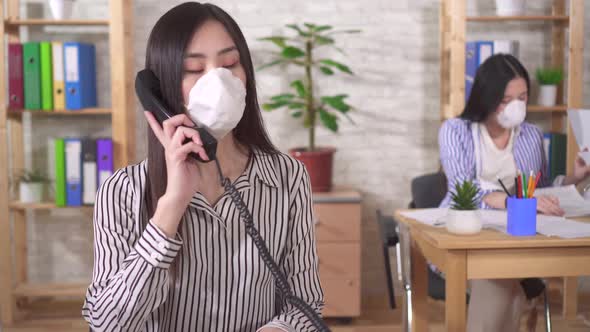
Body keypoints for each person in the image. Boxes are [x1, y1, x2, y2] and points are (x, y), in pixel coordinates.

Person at [82, 3, 323, 332]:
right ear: (161, 93)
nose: (219, 80)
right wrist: (171, 207)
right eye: (194, 69)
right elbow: (107, 324)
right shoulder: (122, 192)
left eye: (229, 63)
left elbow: (305, 303)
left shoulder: (287, 177)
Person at [438, 54, 590, 331]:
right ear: (487, 97)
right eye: (507, 100)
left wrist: (574, 177)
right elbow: (462, 188)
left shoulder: (531, 135)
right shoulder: (455, 131)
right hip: (471, 235)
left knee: (504, 278)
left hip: (520, 237)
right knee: (500, 279)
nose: (516, 107)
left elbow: (539, 191)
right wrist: (510, 202)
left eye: (522, 97)